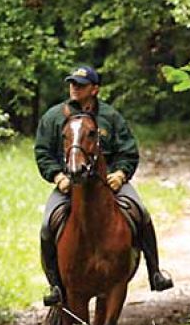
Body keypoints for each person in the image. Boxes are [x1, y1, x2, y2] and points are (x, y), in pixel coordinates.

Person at [33, 64, 173, 307]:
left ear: (94, 89)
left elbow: (128, 150)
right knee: (47, 225)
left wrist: (120, 173)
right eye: (72, 84)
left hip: (108, 183)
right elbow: (43, 152)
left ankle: (155, 272)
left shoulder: (111, 117)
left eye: (81, 85)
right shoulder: (54, 117)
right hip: (69, 183)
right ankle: (55, 285)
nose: (74, 88)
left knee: (141, 212)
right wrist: (57, 176)